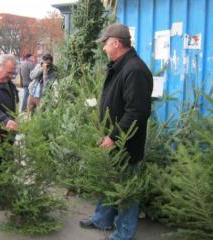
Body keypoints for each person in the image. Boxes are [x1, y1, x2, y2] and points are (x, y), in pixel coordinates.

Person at [79, 24, 153, 240]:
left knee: (125, 190)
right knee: (109, 181)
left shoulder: (135, 70)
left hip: (126, 144)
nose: (103, 49)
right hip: (113, 140)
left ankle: (123, 234)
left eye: (105, 44)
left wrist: (113, 136)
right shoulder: (120, 66)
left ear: (116, 43)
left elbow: (137, 112)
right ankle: (102, 219)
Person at [27, 53, 58, 118]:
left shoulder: (54, 73)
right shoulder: (39, 66)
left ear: (51, 63)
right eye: (43, 63)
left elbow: (46, 87)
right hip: (31, 95)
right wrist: (41, 69)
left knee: (39, 118)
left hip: (41, 98)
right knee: (28, 117)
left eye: (47, 64)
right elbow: (31, 76)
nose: (45, 65)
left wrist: (45, 73)